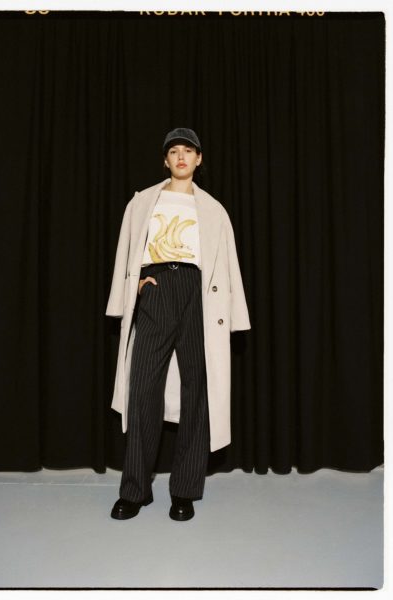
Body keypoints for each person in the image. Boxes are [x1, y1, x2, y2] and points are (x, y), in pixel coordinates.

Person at [106, 127, 251, 521]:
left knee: (197, 390)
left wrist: (234, 314)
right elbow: (126, 250)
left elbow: (228, 264)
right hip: (157, 289)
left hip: (198, 293)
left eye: (189, 151)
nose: (182, 157)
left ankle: (184, 490)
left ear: (199, 159)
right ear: (165, 159)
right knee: (142, 389)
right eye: (174, 151)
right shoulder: (143, 201)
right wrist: (135, 285)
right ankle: (135, 491)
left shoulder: (214, 209)